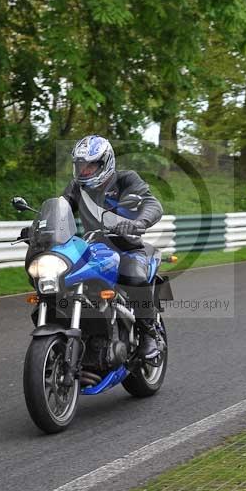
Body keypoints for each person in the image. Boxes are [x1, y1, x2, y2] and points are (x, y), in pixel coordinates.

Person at [62, 135, 164, 360]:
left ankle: (149, 335)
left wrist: (139, 222)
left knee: (135, 276)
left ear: (105, 162)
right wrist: (39, 227)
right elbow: (61, 209)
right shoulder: (76, 187)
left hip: (127, 247)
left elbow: (151, 203)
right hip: (93, 250)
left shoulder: (126, 179)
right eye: (81, 165)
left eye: (91, 165)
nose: (85, 170)